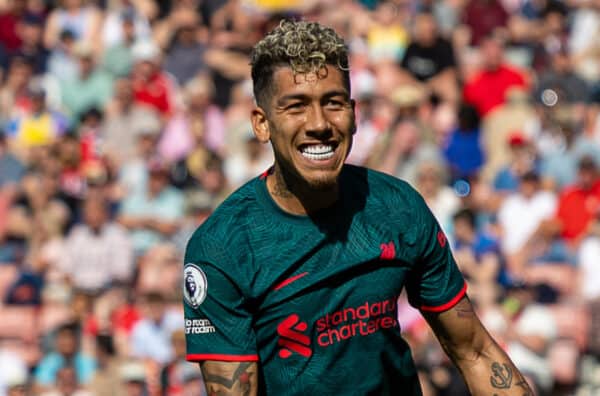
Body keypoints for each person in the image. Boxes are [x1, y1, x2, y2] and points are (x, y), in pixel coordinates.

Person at [183, 20, 532, 395]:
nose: (319, 124)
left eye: (332, 103)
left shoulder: (397, 207)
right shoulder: (222, 246)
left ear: (353, 113)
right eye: (296, 106)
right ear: (262, 124)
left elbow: (475, 351)